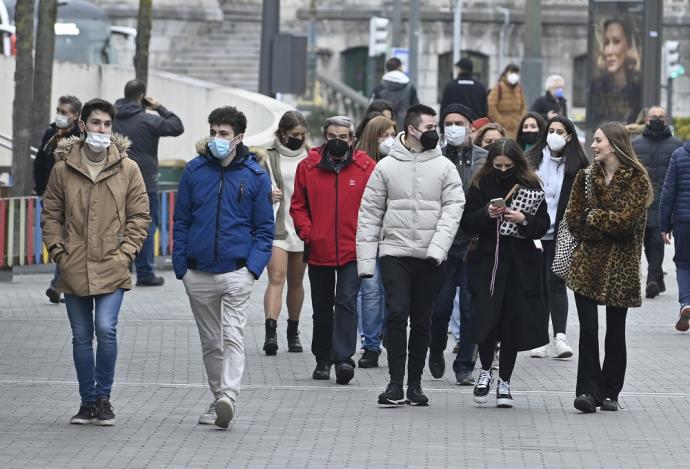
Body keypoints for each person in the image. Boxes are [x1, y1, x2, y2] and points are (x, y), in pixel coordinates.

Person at [41, 98, 151, 425]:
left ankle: (103, 397)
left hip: (112, 263)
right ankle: (87, 401)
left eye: (106, 124)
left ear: (111, 127)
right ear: (83, 125)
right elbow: (51, 215)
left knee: (106, 328)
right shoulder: (63, 169)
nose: (101, 129)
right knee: (80, 335)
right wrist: (59, 251)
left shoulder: (127, 168)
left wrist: (127, 252)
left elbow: (140, 216)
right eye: (95, 123)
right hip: (73, 264)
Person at [357, 104, 464, 407]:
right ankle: (394, 384)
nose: (435, 133)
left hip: (431, 256)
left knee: (421, 321)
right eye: (430, 128)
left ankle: (414, 385)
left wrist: (438, 248)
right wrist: (366, 262)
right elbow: (369, 214)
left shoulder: (444, 167)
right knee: (396, 313)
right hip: (395, 252)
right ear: (413, 129)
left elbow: (454, 209)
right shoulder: (386, 166)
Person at [173, 106, 274, 429]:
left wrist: (252, 270)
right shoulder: (194, 171)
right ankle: (218, 397)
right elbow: (182, 221)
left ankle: (228, 395)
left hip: (236, 272)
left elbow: (264, 229)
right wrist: (181, 268)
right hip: (198, 271)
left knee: (232, 336)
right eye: (214, 132)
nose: (217, 139)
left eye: (224, 134)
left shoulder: (255, 176)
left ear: (239, 137)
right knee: (211, 342)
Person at [566, 122, 652, 413]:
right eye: (593, 140)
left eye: (598, 140)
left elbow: (626, 223)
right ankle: (588, 393)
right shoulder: (585, 177)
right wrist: (600, 222)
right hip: (586, 266)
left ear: (614, 144)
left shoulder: (637, 179)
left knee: (615, 332)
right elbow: (574, 220)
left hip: (621, 269)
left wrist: (595, 217)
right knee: (588, 331)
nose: (593, 145)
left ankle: (610, 391)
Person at [460, 138, 550, 408]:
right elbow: (466, 222)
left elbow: (542, 224)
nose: (502, 170)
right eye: (497, 165)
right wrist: (487, 213)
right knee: (486, 320)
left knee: (511, 322)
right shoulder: (479, 184)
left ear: (517, 163)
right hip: (486, 262)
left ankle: (505, 382)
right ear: (490, 163)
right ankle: (486, 371)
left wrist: (524, 220)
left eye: (507, 165)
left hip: (519, 264)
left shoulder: (531, 185)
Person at [290, 116, 375, 384]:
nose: (337, 141)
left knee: (347, 302)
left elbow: (375, 205)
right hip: (319, 248)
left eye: (343, 137)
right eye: (331, 136)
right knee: (323, 306)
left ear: (352, 139)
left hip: (353, 249)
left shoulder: (366, 167)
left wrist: (368, 237)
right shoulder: (308, 166)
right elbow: (298, 205)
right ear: (324, 137)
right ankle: (323, 359)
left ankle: (343, 359)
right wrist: (308, 233)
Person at [428, 103, 485, 386]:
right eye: (448, 123)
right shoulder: (434, 157)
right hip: (443, 242)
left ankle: (465, 364)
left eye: (459, 122)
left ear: (471, 127)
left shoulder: (485, 159)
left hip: (474, 245)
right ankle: (435, 348)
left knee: (470, 309)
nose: (453, 128)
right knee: (439, 307)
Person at [526, 116, 588, 359]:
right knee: (538, 284)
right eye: (550, 130)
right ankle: (539, 337)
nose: (554, 135)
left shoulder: (578, 166)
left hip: (563, 232)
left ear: (569, 137)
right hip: (534, 231)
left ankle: (560, 336)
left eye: (560, 131)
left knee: (556, 281)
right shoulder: (532, 161)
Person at [113, 79, 184, 287]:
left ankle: (120, 270)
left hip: (116, 181)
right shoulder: (148, 120)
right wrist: (159, 107)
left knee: (118, 225)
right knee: (145, 226)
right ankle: (145, 273)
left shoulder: (110, 119)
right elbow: (177, 126)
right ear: (142, 96)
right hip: (145, 182)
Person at [260, 111, 310, 356]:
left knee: (297, 281)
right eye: (293, 135)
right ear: (282, 133)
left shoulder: (311, 157)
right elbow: (256, 187)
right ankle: (271, 331)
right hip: (277, 224)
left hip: (301, 227)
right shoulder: (267, 157)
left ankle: (293, 330)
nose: (298, 139)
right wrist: (267, 194)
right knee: (276, 277)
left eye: (301, 135)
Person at [354, 115, 396, 367]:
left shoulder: (400, 162)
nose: (389, 139)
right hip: (369, 236)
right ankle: (370, 345)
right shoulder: (360, 164)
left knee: (393, 292)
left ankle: (389, 333)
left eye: (393, 133)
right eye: (384, 135)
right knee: (370, 292)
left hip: (394, 237)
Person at [33, 95, 83, 304]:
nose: (60, 116)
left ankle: (57, 285)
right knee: (59, 241)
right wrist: (41, 189)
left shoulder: (81, 136)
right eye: (59, 111)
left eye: (65, 112)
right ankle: (58, 284)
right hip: (50, 197)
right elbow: (40, 163)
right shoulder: (51, 133)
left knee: (69, 240)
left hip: (73, 197)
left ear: (76, 116)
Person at [631, 106, 683, 299]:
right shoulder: (635, 144)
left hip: (665, 202)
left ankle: (652, 278)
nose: (657, 119)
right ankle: (658, 276)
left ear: (666, 119)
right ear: (646, 119)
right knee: (646, 242)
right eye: (654, 116)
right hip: (642, 203)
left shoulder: (676, 145)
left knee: (657, 241)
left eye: (661, 117)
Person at [589, 18, 642, 127]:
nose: (609, 51)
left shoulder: (638, 85)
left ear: (629, 47)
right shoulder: (598, 85)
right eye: (606, 43)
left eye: (616, 41)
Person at [661, 139, 690, 331]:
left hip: (683, 221)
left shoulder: (679, 155)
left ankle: (686, 303)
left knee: (683, 264)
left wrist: (664, 225)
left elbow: (668, 191)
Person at [371, 57, 420, 131]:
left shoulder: (379, 88)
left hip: (383, 129)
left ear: (386, 69)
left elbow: (372, 110)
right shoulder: (410, 87)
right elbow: (417, 110)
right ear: (400, 67)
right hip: (405, 128)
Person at [487, 64, 526, 138]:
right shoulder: (498, 87)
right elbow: (491, 106)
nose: (514, 75)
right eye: (512, 72)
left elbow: (524, 106)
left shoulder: (519, 88)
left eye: (516, 73)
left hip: (516, 128)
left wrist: (520, 119)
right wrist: (501, 121)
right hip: (502, 128)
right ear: (506, 73)